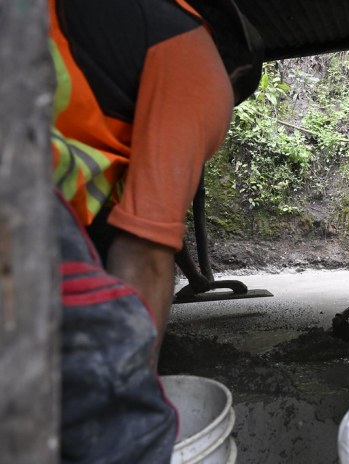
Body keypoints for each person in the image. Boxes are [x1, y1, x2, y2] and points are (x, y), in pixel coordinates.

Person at [49, 0, 263, 461]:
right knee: (126, 428)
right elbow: (144, 253)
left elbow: (146, 224)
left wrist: (197, 277)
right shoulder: (198, 63)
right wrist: (133, 389)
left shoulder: (112, 40)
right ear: (237, 77)